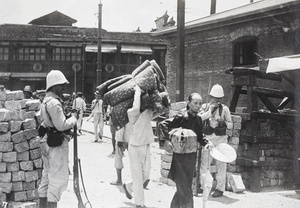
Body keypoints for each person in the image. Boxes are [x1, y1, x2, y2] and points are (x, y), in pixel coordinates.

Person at [158, 92, 216, 208]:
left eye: (200, 103)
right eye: (195, 103)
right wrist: (166, 141)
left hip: (191, 158)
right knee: (186, 191)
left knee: (184, 187)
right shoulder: (182, 116)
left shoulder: (199, 119)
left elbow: (200, 136)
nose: (198, 106)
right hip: (180, 158)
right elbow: (163, 124)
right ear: (189, 103)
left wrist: (207, 143)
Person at [38, 70, 77, 208]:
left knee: (46, 177)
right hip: (55, 144)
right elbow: (61, 125)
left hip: (46, 141)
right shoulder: (54, 103)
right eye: (61, 85)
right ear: (54, 86)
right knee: (57, 178)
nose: (63, 88)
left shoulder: (45, 101)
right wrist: (74, 118)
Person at [122, 85, 162, 208]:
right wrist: (137, 91)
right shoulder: (132, 112)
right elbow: (136, 106)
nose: (144, 104)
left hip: (145, 145)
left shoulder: (148, 112)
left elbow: (154, 114)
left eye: (146, 102)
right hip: (134, 146)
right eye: (142, 102)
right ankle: (139, 203)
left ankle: (129, 186)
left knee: (146, 174)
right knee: (137, 175)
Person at [199, 84, 233, 198]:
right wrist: (210, 111)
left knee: (221, 164)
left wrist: (223, 123)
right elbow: (200, 118)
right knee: (205, 163)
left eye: (219, 99)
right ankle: (203, 186)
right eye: (215, 98)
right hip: (208, 139)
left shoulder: (225, 109)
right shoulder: (204, 107)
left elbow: (230, 125)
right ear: (211, 96)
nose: (217, 101)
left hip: (221, 139)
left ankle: (220, 188)